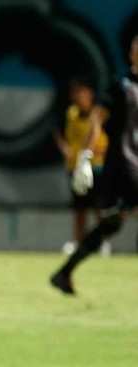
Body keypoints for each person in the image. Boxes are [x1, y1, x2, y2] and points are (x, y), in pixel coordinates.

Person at [50, 32, 138, 295]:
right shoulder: (121, 86)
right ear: (132, 54)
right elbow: (96, 120)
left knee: (112, 222)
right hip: (125, 165)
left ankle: (64, 273)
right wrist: (86, 157)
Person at [52, 78, 110, 256]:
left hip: (97, 166)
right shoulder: (71, 113)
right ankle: (78, 242)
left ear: (90, 93)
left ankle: (104, 243)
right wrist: (65, 149)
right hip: (76, 167)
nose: (78, 96)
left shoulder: (100, 113)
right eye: (76, 93)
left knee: (100, 207)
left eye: (82, 92)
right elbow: (57, 131)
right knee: (80, 209)